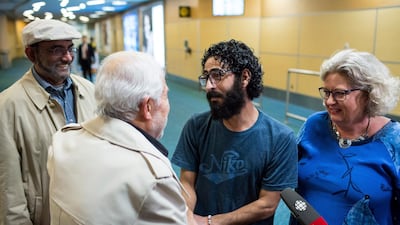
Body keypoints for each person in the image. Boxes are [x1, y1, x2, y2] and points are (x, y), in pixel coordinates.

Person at [47, 51, 193, 225]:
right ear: (147, 107)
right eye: (165, 95)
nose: (168, 104)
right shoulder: (154, 177)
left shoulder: (63, 141)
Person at [171, 39, 298, 225]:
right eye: (206, 77)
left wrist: (209, 222)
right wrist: (188, 216)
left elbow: (267, 204)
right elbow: (187, 182)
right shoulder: (196, 126)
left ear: (245, 78)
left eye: (217, 75)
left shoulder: (280, 138)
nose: (208, 86)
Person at [0, 19, 96, 225]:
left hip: (91, 212)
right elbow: (8, 187)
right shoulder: (7, 107)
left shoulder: (90, 91)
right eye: (56, 50)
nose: (68, 57)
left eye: (70, 48)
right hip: (47, 217)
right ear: (31, 54)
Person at [292, 49, 400, 225]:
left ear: (368, 95)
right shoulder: (314, 125)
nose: (329, 101)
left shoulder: (394, 140)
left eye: (339, 93)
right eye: (326, 92)